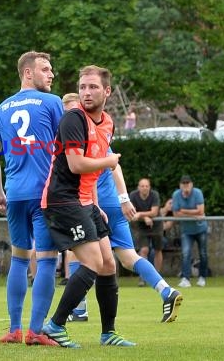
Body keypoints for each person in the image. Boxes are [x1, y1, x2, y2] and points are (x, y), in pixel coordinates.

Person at [62, 93, 182, 324]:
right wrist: (124, 200)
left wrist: (124, 198)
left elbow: (113, 166)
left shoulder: (84, 134)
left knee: (73, 250)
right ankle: (166, 291)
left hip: (95, 204)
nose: (68, 115)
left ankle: (79, 309)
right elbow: (114, 164)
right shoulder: (94, 130)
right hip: (112, 205)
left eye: (70, 110)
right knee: (128, 257)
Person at [41, 65, 135, 348]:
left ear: (107, 91)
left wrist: (95, 203)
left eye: (93, 87)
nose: (86, 92)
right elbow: (76, 164)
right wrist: (109, 162)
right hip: (62, 199)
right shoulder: (73, 118)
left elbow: (89, 170)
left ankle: (108, 334)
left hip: (84, 200)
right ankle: (54, 326)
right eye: (82, 87)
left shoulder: (108, 122)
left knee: (108, 264)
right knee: (93, 262)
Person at [0, 51, 63, 346]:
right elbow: (68, 146)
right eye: (45, 69)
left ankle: (14, 329)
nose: (51, 74)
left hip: (15, 194)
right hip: (44, 194)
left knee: (19, 259)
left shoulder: (1, 109)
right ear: (27, 73)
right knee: (46, 260)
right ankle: (36, 331)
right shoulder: (53, 103)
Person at [173, 175, 208, 288]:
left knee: (203, 253)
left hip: (200, 228)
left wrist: (183, 211)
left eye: (188, 184)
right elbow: (176, 214)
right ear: (180, 185)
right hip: (186, 231)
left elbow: (201, 210)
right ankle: (185, 278)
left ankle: (202, 277)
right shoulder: (176, 195)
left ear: (191, 184)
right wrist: (195, 213)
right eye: (184, 184)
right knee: (186, 253)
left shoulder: (197, 193)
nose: (186, 186)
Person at [129, 178, 162, 286]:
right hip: (141, 227)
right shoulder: (133, 195)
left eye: (146, 186)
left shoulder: (154, 195)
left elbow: (154, 212)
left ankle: (157, 278)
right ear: (138, 187)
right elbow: (133, 214)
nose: (144, 188)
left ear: (150, 187)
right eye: (142, 186)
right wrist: (145, 218)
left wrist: (142, 215)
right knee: (144, 250)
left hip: (156, 225)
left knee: (158, 250)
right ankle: (143, 278)